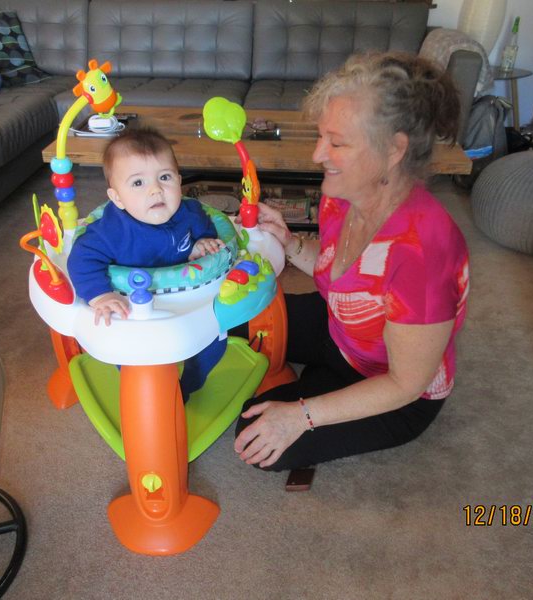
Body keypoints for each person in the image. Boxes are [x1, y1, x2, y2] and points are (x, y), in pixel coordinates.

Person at [233, 52, 470, 471]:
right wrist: (289, 242)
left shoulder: (423, 251)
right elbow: (341, 272)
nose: (317, 155)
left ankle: (322, 387)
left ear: (394, 150)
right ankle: (319, 379)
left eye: (337, 142)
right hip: (338, 329)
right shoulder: (341, 196)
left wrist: (301, 416)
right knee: (232, 316)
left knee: (255, 436)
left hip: (391, 388)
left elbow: (405, 383)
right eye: (320, 137)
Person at [67, 127, 227, 398]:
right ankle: (148, 392)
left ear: (179, 181)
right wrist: (100, 295)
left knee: (214, 341)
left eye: (164, 177)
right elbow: (81, 258)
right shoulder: (111, 231)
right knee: (131, 354)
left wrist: (202, 242)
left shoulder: (189, 213)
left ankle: (190, 384)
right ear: (117, 198)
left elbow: (203, 226)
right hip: (133, 308)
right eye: (138, 183)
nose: (156, 190)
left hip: (187, 301)